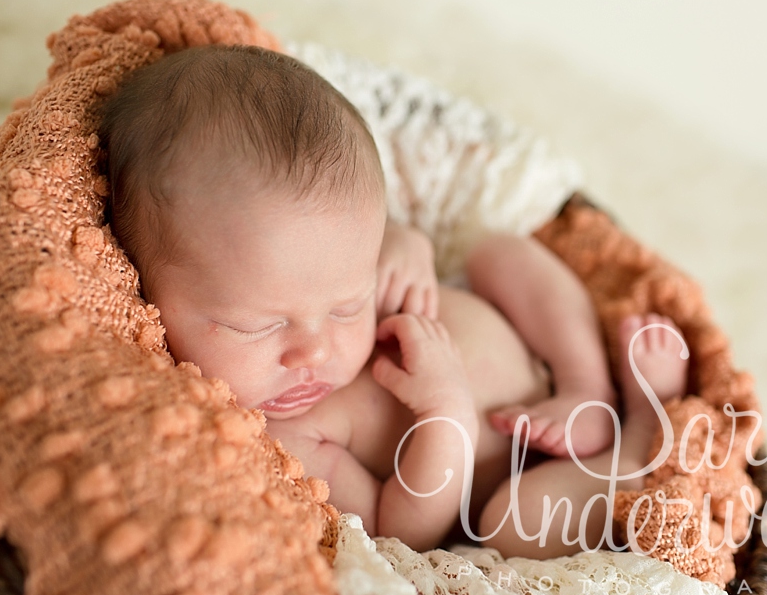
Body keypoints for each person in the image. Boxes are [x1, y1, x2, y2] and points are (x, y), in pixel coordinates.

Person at [98, 44, 689, 557]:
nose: (315, 347)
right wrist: (445, 415)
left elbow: (373, 245)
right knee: (515, 525)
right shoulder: (284, 437)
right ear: (144, 296)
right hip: (526, 475)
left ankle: (587, 382)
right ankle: (639, 432)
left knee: (498, 253)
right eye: (256, 325)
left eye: (346, 306)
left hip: (539, 360)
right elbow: (399, 529)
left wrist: (408, 247)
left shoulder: (329, 257)